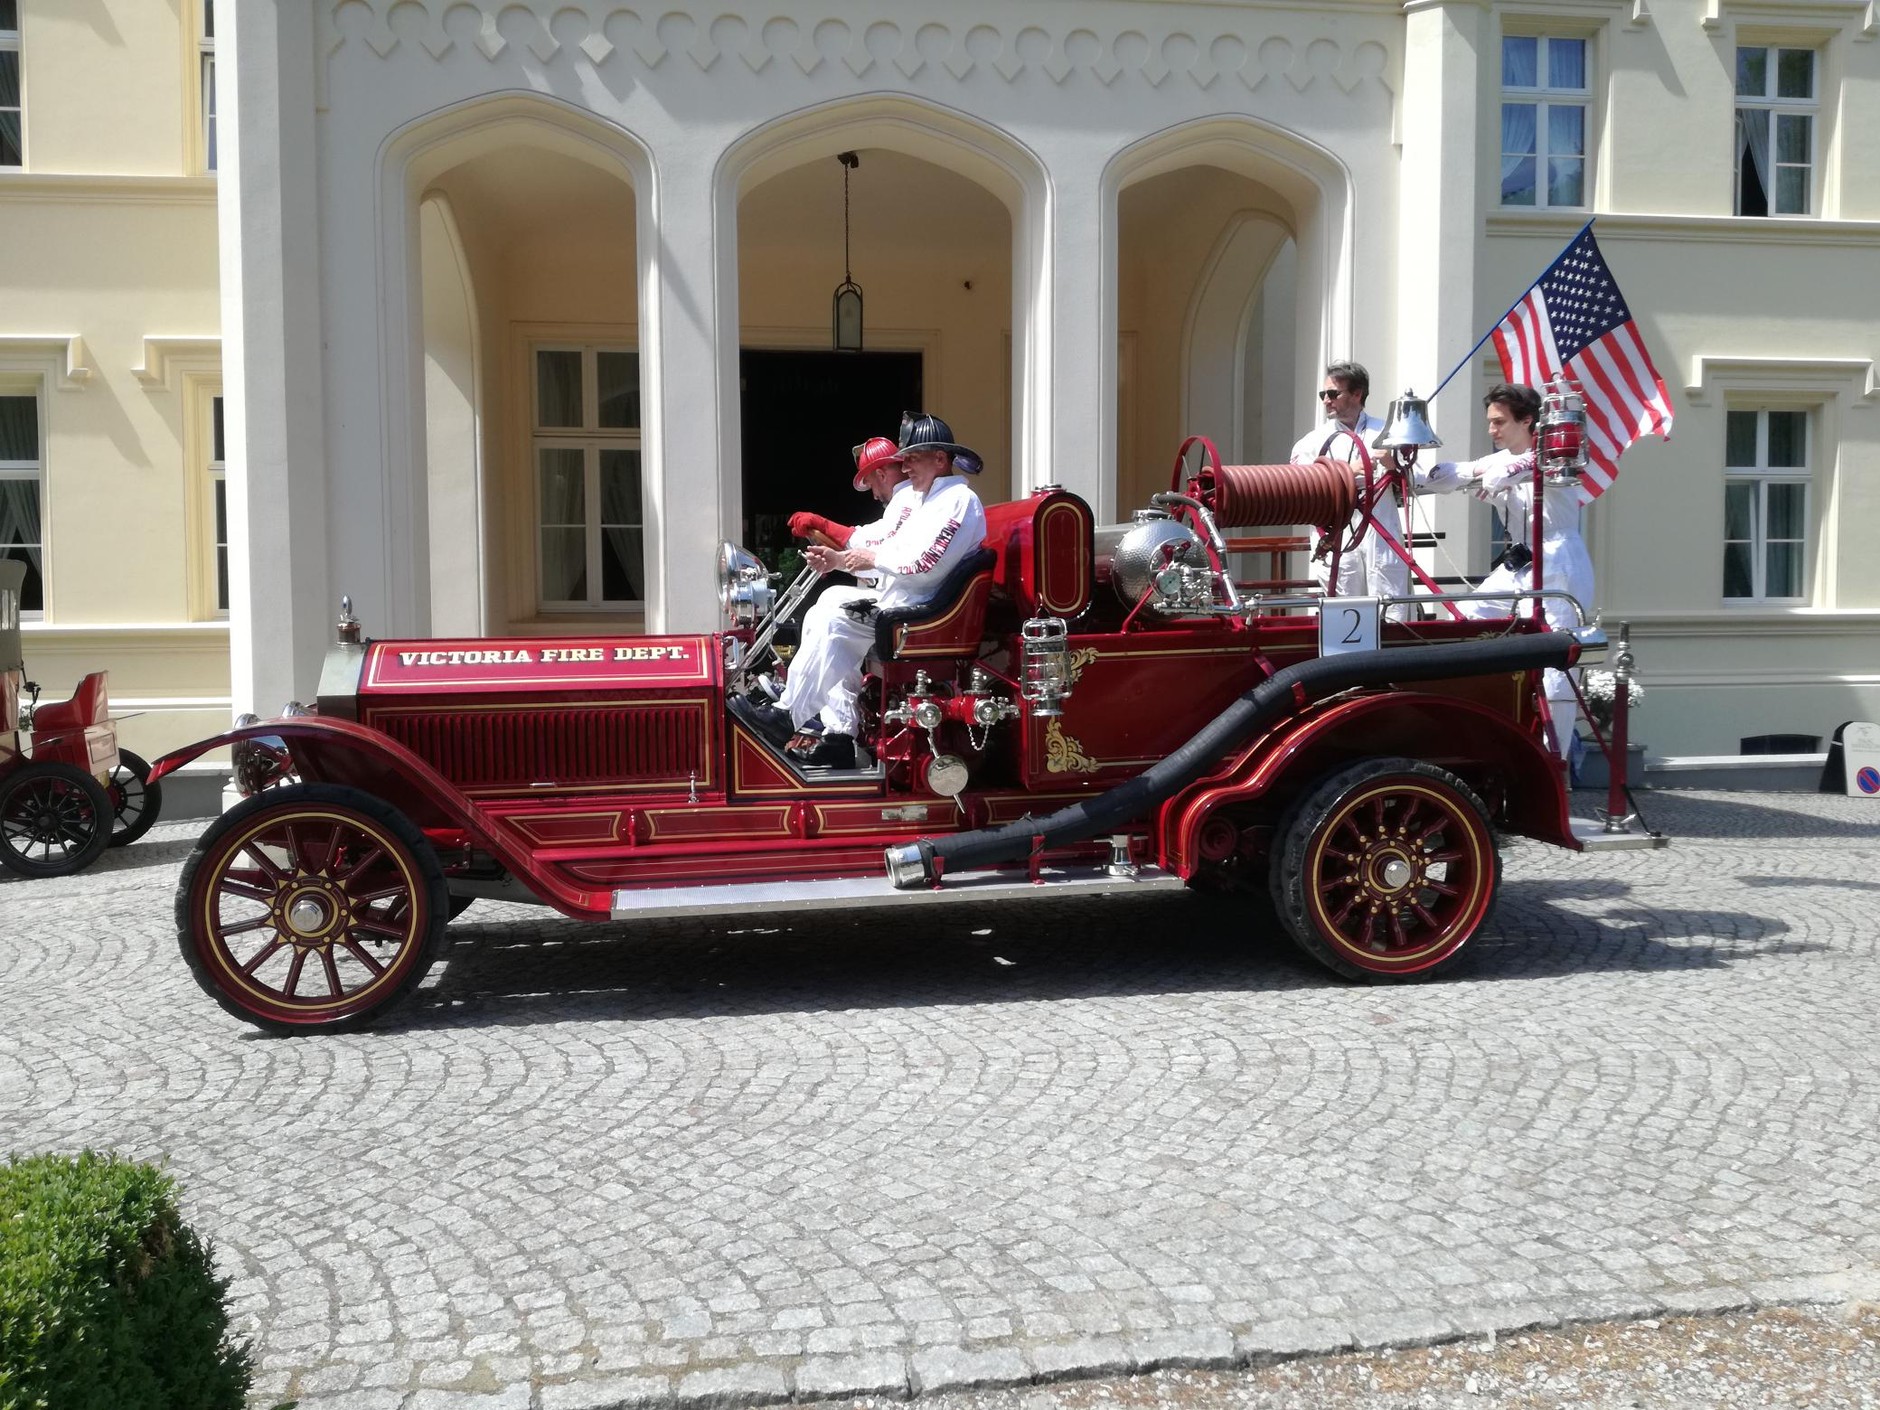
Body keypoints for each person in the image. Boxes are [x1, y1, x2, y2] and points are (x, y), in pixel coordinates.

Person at [779, 412, 987, 769]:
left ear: (940, 459)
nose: (904, 469)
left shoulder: (958, 502)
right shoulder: (927, 500)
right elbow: (888, 548)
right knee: (827, 603)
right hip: (908, 602)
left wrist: (862, 557)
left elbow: (925, 565)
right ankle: (832, 728)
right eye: (903, 461)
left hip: (922, 610)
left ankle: (789, 715)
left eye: (912, 459)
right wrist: (840, 561)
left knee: (837, 623)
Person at [1420, 383, 1595, 758]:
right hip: (1519, 563)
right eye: (1490, 422)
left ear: (1527, 421)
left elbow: (1524, 468)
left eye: (1499, 422)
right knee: (1465, 622)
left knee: (1557, 663)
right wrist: (1409, 471)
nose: (1491, 430)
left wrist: (1498, 473)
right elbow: (1458, 472)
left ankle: (1556, 765)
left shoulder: (1553, 455)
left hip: (1558, 562)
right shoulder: (1502, 459)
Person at [1290, 360, 1402, 614]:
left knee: (1391, 608)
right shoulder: (1311, 442)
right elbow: (1296, 483)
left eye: (1333, 393)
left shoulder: (1389, 433)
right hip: (1337, 531)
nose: (1326, 400)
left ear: (1357, 394)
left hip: (1381, 533)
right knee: (1344, 608)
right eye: (1323, 394)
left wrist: (1391, 463)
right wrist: (1345, 471)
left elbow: (1418, 476)